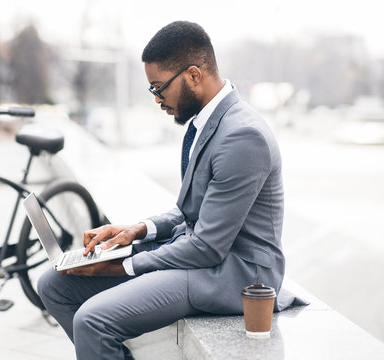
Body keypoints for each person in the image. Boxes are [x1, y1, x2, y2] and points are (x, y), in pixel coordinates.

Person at [37, 20, 299, 360]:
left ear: (193, 75)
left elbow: (207, 246)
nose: (157, 99)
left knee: (93, 319)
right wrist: (138, 229)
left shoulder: (242, 136)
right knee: (54, 286)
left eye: (159, 87)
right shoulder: (208, 123)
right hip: (204, 259)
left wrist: (120, 266)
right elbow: (190, 210)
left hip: (235, 274)